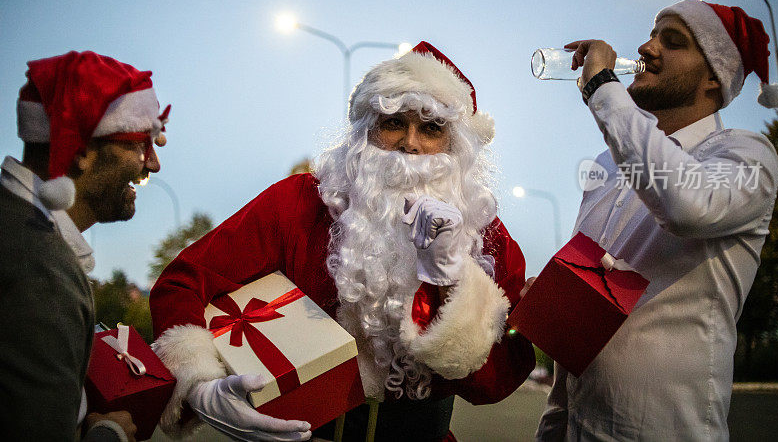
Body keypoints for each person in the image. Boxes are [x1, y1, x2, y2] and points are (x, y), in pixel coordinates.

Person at [149, 41, 535, 441]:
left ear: (455, 143)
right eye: (393, 122)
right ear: (367, 130)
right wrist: (199, 384)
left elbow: (496, 379)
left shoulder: (488, 237)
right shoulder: (298, 203)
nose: (411, 143)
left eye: (431, 128)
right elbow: (184, 282)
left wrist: (454, 280)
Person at [535, 0, 778, 441]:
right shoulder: (607, 166)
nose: (647, 48)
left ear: (714, 77)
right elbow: (578, 316)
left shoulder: (745, 154)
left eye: (673, 41)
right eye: (652, 35)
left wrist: (603, 88)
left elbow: (688, 205)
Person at [0, 51, 170, 441]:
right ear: (80, 149)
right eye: (143, 144)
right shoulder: (41, 267)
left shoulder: (19, 228)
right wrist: (107, 435)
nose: (154, 164)